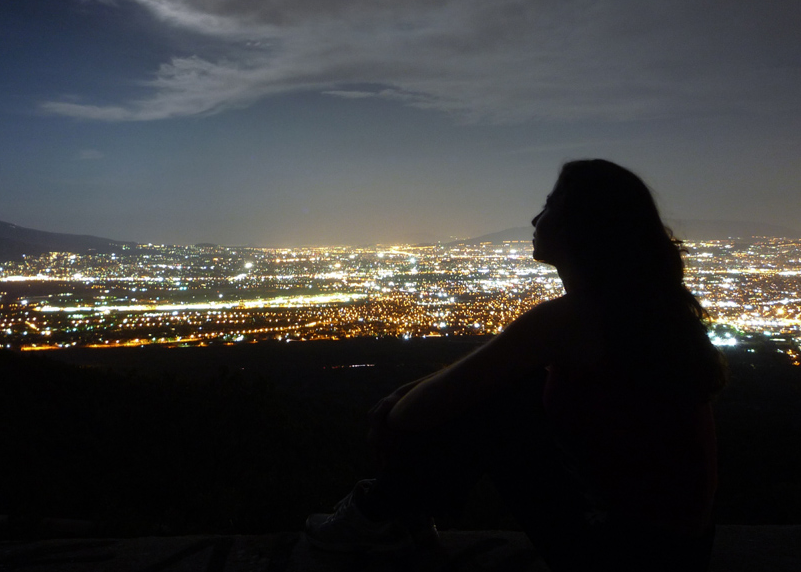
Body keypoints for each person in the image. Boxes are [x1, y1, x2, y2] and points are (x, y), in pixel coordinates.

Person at [305, 159, 727, 572]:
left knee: (498, 405)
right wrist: (411, 390)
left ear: (582, 227)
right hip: (680, 551)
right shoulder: (645, 309)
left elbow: (411, 415)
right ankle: (392, 517)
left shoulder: (576, 317)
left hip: (623, 553)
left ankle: (374, 516)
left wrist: (400, 405)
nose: (535, 219)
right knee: (512, 390)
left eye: (550, 206)